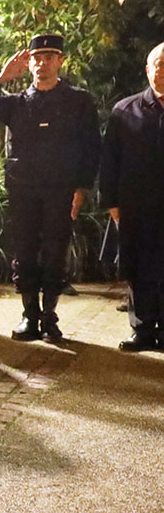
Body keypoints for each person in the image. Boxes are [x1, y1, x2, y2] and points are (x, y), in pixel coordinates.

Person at [0, 33, 101, 341]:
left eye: (49, 58)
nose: (42, 63)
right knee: (24, 253)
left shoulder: (78, 100)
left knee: (56, 252)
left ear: (60, 61)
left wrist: (82, 188)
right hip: (23, 189)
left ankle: (50, 316)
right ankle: (30, 315)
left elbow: (92, 147)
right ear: (29, 63)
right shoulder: (15, 103)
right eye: (36, 58)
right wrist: (0, 79)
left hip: (61, 189)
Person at [100, 41, 164, 351]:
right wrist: (111, 202)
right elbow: (109, 160)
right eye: (158, 65)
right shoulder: (125, 111)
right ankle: (142, 330)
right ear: (148, 70)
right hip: (136, 206)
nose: (162, 71)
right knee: (139, 268)